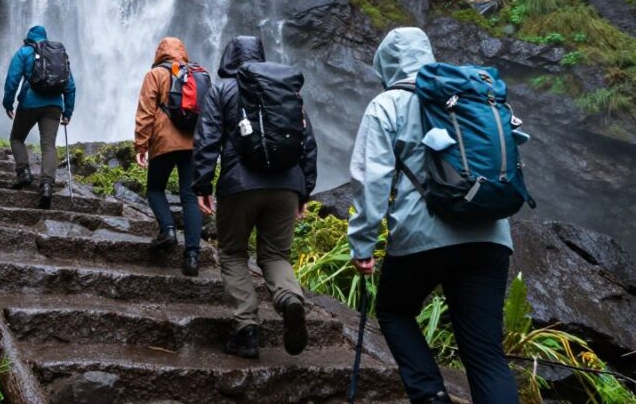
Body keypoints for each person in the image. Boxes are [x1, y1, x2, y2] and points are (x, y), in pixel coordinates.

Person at [348, 27, 517, 404]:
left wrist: (362, 243)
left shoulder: (388, 103)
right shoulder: (474, 91)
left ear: (385, 64)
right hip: (489, 234)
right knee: (486, 355)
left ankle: (431, 396)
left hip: (423, 236)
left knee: (394, 311)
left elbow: (370, 178)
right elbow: (514, 145)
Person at [192, 35, 317, 360]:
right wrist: (304, 189)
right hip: (287, 185)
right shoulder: (287, 89)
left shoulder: (222, 89)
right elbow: (307, 141)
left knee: (233, 253)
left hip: (240, 185)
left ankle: (247, 330)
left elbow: (207, 139)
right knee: (276, 256)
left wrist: (202, 185)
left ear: (229, 57)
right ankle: (289, 299)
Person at [134, 37, 203, 276]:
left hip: (164, 142)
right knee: (190, 198)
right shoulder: (197, 74)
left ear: (160, 52)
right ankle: (193, 256)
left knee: (154, 189)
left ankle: (168, 230)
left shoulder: (156, 74)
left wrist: (140, 145)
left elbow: (146, 112)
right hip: (194, 144)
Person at [3, 25, 76, 210]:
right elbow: (70, 85)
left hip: (29, 103)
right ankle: (46, 186)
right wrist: (68, 112)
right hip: (54, 107)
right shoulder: (58, 54)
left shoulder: (25, 52)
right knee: (48, 146)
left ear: (28, 37)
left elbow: (13, 79)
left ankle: (24, 173)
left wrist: (8, 103)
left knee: (17, 138)